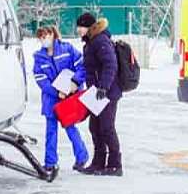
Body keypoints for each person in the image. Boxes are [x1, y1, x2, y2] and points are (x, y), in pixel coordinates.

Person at [32, 26, 90, 175]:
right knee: (51, 132)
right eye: (41, 37)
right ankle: (50, 163)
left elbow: (82, 67)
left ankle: (81, 158)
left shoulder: (67, 49)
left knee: (71, 129)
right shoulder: (39, 58)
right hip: (51, 100)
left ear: (53, 34)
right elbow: (41, 80)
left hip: (68, 100)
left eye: (46, 35)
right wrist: (56, 92)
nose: (44, 39)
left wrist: (73, 84)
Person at [76, 12, 123, 176]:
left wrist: (103, 87)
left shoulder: (100, 40)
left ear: (89, 27)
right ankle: (98, 162)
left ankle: (115, 164)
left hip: (107, 92)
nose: (78, 30)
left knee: (107, 127)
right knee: (94, 127)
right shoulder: (91, 42)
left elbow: (110, 65)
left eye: (81, 27)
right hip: (95, 92)